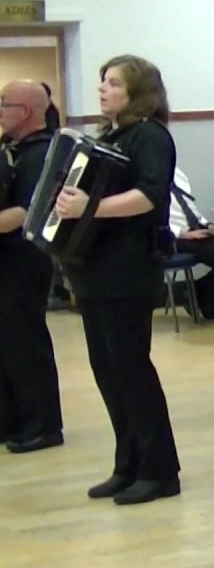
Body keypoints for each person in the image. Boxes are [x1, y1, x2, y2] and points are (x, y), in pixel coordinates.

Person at [56, 55, 182, 505]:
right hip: (97, 269)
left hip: (127, 269)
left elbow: (150, 196)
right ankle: (128, 462)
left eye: (113, 83)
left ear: (138, 91)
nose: (102, 89)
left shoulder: (149, 134)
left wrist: (89, 208)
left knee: (131, 370)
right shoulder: (112, 136)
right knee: (108, 370)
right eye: (102, 82)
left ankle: (159, 469)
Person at [0, 80, 63, 454]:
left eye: (4, 104)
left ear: (23, 111)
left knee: (25, 342)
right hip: (7, 260)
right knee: (7, 342)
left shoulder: (41, 152)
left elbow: (27, 211)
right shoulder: (13, 149)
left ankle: (43, 424)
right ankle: (13, 420)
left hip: (25, 259)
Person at [169, 166, 214, 319]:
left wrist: (208, 225)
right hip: (170, 237)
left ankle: (196, 292)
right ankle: (202, 296)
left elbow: (188, 206)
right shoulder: (141, 180)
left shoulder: (175, 172)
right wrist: (184, 234)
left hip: (192, 229)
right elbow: (151, 219)